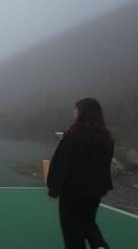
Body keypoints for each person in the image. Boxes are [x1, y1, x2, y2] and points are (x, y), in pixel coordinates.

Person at [47, 98, 114, 249]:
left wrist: (54, 189)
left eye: (76, 110)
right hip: (95, 191)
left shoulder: (72, 136)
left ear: (82, 113)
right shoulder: (106, 139)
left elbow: (62, 164)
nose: (74, 114)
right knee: (88, 222)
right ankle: (99, 246)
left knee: (72, 229)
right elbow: (104, 167)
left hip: (72, 192)